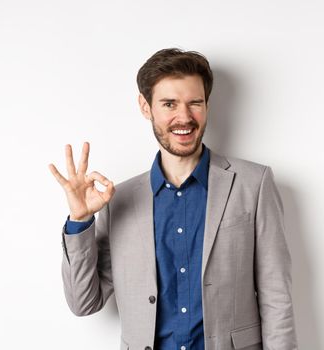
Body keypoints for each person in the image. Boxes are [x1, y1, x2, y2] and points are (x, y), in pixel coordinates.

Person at [49, 48, 298, 350]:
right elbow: (83, 302)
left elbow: (277, 298)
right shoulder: (120, 200)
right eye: (169, 104)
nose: (184, 117)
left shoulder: (253, 184)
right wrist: (80, 221)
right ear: (146, 106)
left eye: (195, 103)